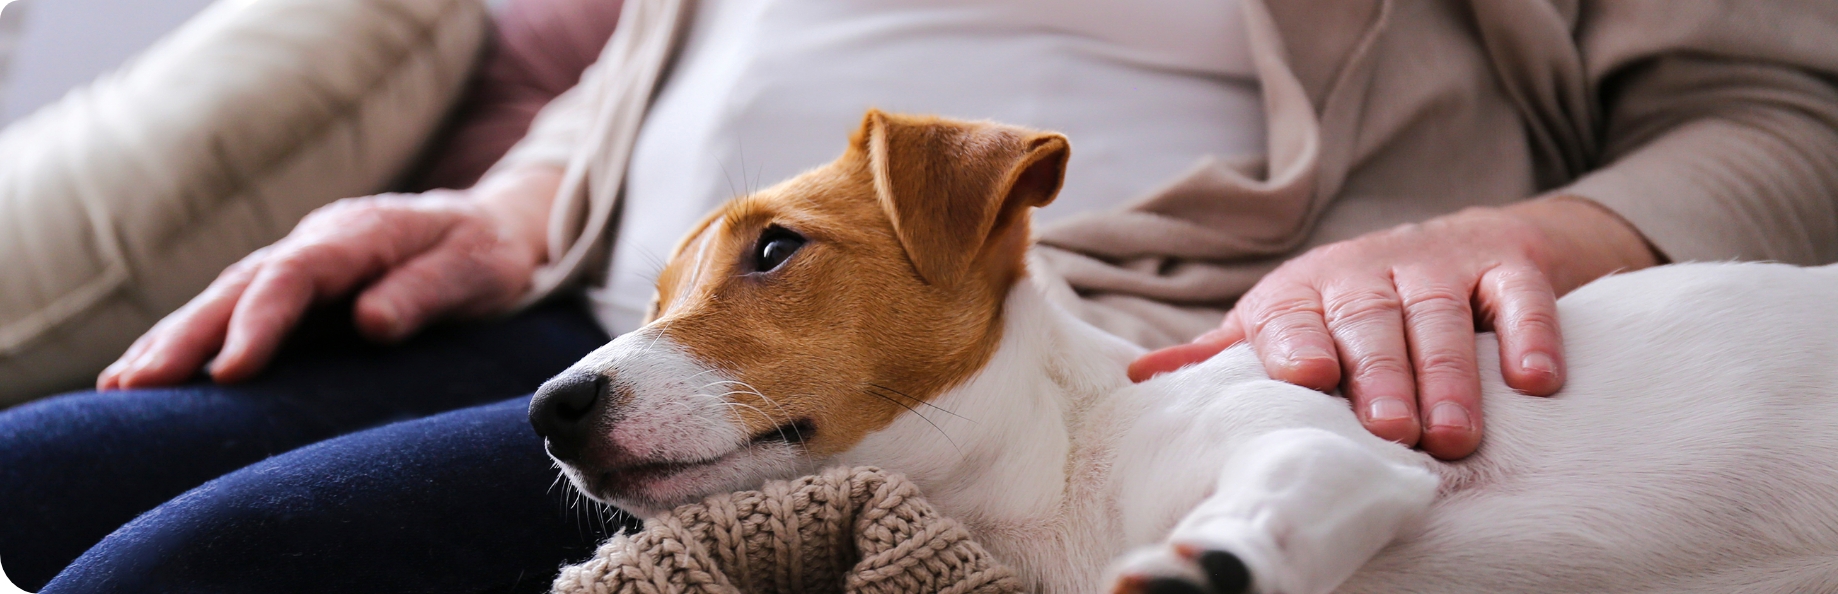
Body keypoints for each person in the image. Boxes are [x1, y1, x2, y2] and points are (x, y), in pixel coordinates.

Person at [5, 0, 1837, 591]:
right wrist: (507, 199)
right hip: (604, 297)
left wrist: (1525, 238)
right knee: (31, 473)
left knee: (181, 573)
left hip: (1010, 354)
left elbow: (1780, 100)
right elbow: (685, 57)